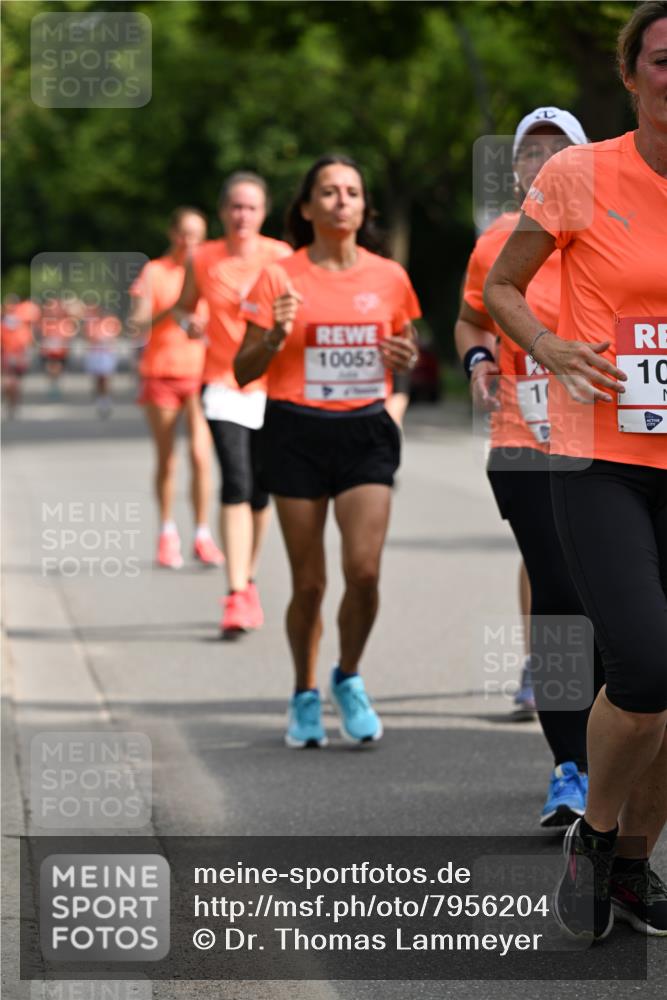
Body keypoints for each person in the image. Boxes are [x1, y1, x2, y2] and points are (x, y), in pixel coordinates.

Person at [485, 1, 667, 939]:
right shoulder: (578, 172)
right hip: (599, 455)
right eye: (663, 60)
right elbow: (499, 287)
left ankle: (634, 865)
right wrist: (551, 348)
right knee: (644, 662)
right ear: (631, 75)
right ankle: (596, 837)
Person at [235, 154, 420, 747]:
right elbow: (242, 371)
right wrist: (274, 335)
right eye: (329, 191)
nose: (342, 200)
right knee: (309, 583)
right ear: (308, 207)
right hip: (294, 430)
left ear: (364, 207)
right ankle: (304, 692)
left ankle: (349, 675)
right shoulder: (277, 276)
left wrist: (405, 363)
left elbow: (405, 352)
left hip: (365, 430)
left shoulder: (389, 276)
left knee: (363, 571)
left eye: (352, 192)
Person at [456, 106, 605, 828]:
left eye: (558, 149)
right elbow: (470, 316)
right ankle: (569, 767)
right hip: (524, 442)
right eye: (530, 151)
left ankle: (615, 752)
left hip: (614, 445)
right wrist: (478, 357)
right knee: (557, 600)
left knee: (616, 604)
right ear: (514, 168)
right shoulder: (495, 242)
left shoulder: (619, 227)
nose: (542, 161)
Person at [172, 173, 291, 637]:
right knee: (236, 481)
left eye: (252, 208)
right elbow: (184, 306)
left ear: (263, 214)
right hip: (221, 383)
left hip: (270, 386)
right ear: (222, 212)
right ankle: (235, 591)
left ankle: (250, 577)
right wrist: (190, 323)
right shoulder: (202, 257)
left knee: (262, 491)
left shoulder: (281, 257)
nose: (242, 215)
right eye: (235, 207)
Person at [129, 207, 224, 570]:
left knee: (201, 456)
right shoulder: (154, 272)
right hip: (162, 373)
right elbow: (136, 324)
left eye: (197, 235)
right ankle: (167, 532)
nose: (190, 242)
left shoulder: (210, 270)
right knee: (167, 459)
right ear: (172, 234)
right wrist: (171, 310)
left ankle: (202, 534)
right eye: (184, 233)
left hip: (202, 374)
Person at [1, 295, 40, 416]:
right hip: (6, 354)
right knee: (8, 382)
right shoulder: (3, 320)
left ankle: (14, 403)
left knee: (16, 382)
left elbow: (27, 338)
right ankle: (9, 400)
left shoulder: (22, 321)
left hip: (18, 355)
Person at [82, 304, 122, 418]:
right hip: (95, 353)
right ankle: (100, 398)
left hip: (107, 353)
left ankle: (106, 399)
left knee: (106, 377)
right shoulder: (92, 322)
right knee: (97, 377)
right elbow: (88, 337)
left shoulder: (111, 321)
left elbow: (115, 336)